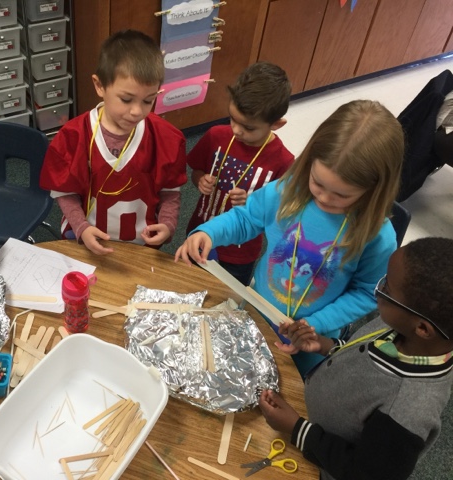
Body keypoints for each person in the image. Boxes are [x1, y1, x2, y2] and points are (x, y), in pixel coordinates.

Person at [175, 99, 404, 376]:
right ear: (309, 162)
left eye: (341, 195)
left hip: (311, 339)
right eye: (317, 182)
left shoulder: (377, 236)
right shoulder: (287, 191)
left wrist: (317, 324)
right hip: (257, 313)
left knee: (291, 388)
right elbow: (246, 218)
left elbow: (367, 292)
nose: (323, 198)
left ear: (374, 190)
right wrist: (210, 232)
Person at [258, 237, 453, 480]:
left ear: (423, 329)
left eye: (387, 289)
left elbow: (364, 474)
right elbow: (365, 354)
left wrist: (297, 429)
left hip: (321, 465)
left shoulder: (407, 411)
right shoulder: (400, 325)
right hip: (307, 418)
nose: (378, 289)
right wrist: (328, 346)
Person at [40, 30, 187, 255]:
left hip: (142, 244)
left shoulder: (166, 138)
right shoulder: (73, 136)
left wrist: (167, 224)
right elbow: (65, 192)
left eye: (148, 100)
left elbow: (170, 192)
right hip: (87, 238)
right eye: (126, 99)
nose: (137, 111)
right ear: (100, 86)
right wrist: (81, 227)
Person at [186, 61, 294, 285]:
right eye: (232, 119)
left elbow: (277, 213)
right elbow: (196, 171)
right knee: (187, 285)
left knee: (229, 297)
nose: (236, 130)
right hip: (200, 233)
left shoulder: (283, 161)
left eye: (248, 127)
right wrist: (200, 180)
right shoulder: (216, 135)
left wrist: (252, 202)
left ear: (277, 124)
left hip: (240, 253)